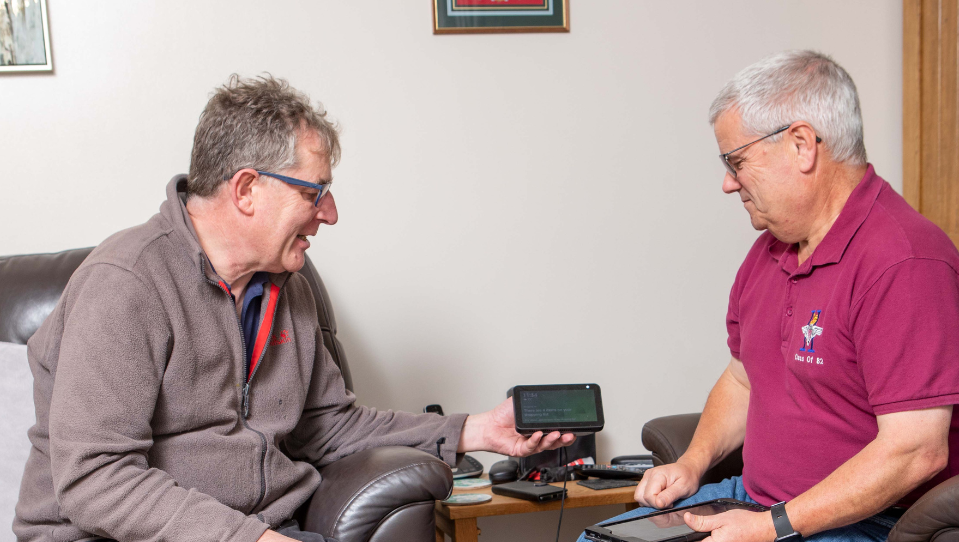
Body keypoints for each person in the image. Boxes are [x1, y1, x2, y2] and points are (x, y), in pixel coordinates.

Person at [13, 75, 575, 542]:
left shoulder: (288, 284)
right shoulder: (127, 284)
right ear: (248, 190)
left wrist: (478, 430)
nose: (329, 214)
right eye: (313, 192)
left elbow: (328, 427)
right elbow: (96, 479)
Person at [579, 50, 959, 542]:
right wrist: (692, 465)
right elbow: (742, 381)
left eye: (737, 161)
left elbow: (917, 451)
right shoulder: (768, 252)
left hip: (866, 521)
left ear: (802, 145)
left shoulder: (904, 261)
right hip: (754, 500)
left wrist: (768, 528)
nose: (727, 182)